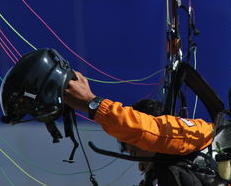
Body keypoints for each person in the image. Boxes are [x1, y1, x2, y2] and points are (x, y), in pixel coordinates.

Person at [64, 71, 215, 186]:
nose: (140, 167)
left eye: (135, 152)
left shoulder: (198, 133)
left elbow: (149, 131)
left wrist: (92, 104)